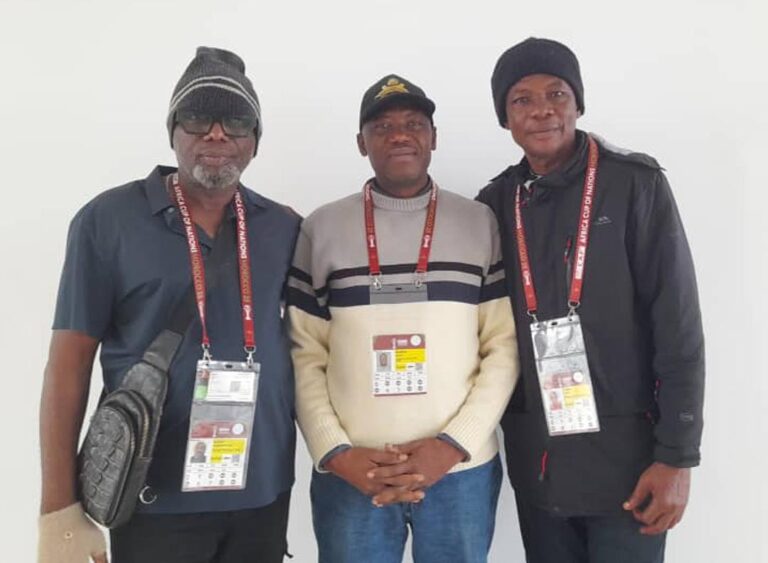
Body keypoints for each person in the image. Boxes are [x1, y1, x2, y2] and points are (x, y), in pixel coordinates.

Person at [38, 47, 300, 563]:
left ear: (255, 140)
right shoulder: (107, 221)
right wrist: (58, 508)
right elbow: (68, 366)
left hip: (262, 492)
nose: (217, 134)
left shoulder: (284, 227)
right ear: (173, 131)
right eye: (198, 117)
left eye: (237, 121)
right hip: (151, 496)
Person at [477, 37, 706, 563]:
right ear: (505, 118)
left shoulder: (634, 185)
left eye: (556, 94)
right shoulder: (494, 204)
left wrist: (677, 456)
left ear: (578, 103)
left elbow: (678, 327)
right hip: (540, 464)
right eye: (522, 99)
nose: (542, 110)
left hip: (632, 465)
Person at [287, 74, 519, 563]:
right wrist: (335, 452)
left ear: (434, 138)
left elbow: (503, 347)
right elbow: (303, 355)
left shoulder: (479, 222)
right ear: (361, 143)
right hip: (354, 472)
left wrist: (453, 445)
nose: (399, 135)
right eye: (382, 127)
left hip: (460, 472)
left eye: (414, 124)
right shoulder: (321, 228)